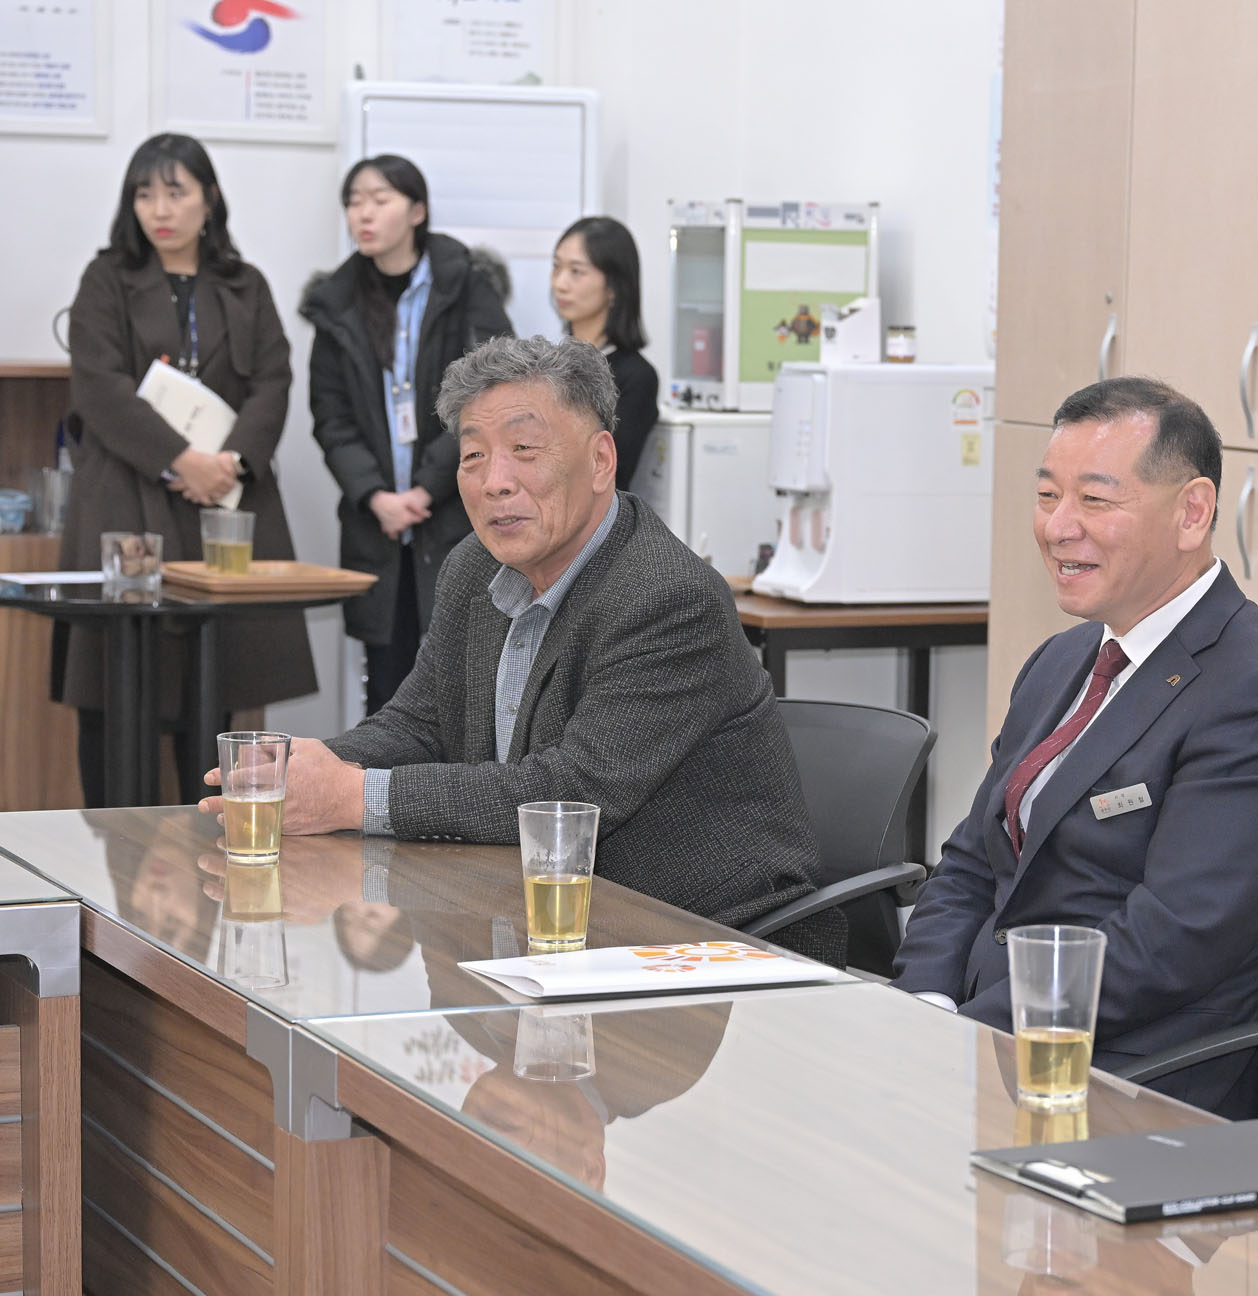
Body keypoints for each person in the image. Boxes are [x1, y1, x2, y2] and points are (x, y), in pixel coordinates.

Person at [199, 335, 844, 965]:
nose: (495, 482)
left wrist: (351, 795)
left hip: (710, 951)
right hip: (543, 927)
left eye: (524, 450)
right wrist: (307, 772)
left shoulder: (668, 597)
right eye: (473, 456)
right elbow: (419, 724)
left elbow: (569, 793)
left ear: (601, 460)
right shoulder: (473, 568)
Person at [890, 377, 1258, 1119]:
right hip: (991, 1038)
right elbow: (973, 858)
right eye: (1047, 496)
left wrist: (970, 1037)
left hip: (1133, 1080)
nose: (1058, 527)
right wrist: (924, 1002)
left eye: (1095, 501)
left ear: (1192, 513)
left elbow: (1167, 945)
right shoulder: (1064, 660)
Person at [60, 132, 317, 804]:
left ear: (209, 198)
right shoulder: (106, 278)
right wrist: (180, 460)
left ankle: (214, 830)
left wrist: (229, 463)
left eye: (175, 192)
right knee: (115, 683)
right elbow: (98, 386)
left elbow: (273, 380)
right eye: (144, 194)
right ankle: (112, 846)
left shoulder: (245, 283)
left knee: (218, 676)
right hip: (128, 496)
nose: (159, 209)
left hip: (224, 504)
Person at [302, 153, 514, 715]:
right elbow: (331, 416)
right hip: (378, 526)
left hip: (456, 514)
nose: (363, 214)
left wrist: (426, 488)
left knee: (470, 686)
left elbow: (488, 393)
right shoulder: (337, 302)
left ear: (417, 211)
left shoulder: (465, 285)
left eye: (380, 199)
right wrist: (376, 496)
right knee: (389, 694)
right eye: (354, 202)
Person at [551, 216, 658, 490]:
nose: (560, 283)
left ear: (613, 286)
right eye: (556, 267)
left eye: (576, 271)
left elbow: (607, 470)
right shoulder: (548, 366)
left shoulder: (636, 377)